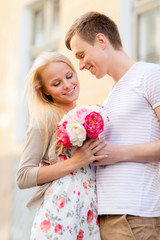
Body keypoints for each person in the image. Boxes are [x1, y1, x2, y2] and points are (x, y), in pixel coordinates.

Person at [65, 11, 160, 240]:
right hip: (106, 219)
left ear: (101, 41)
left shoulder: (149, 75)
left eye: (81, 54)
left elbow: (116, 153)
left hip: (134, 218)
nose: (80, 66)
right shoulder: (110, 98)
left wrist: (118, 153)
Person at [16, 51, 107, 239]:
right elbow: (23, 176)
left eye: (69, 76)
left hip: (87, 217)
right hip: (60, 216)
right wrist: (74, 162)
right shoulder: (45, 120)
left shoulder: (88, 116)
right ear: (44, 91)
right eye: (56, 83)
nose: (67, 85)